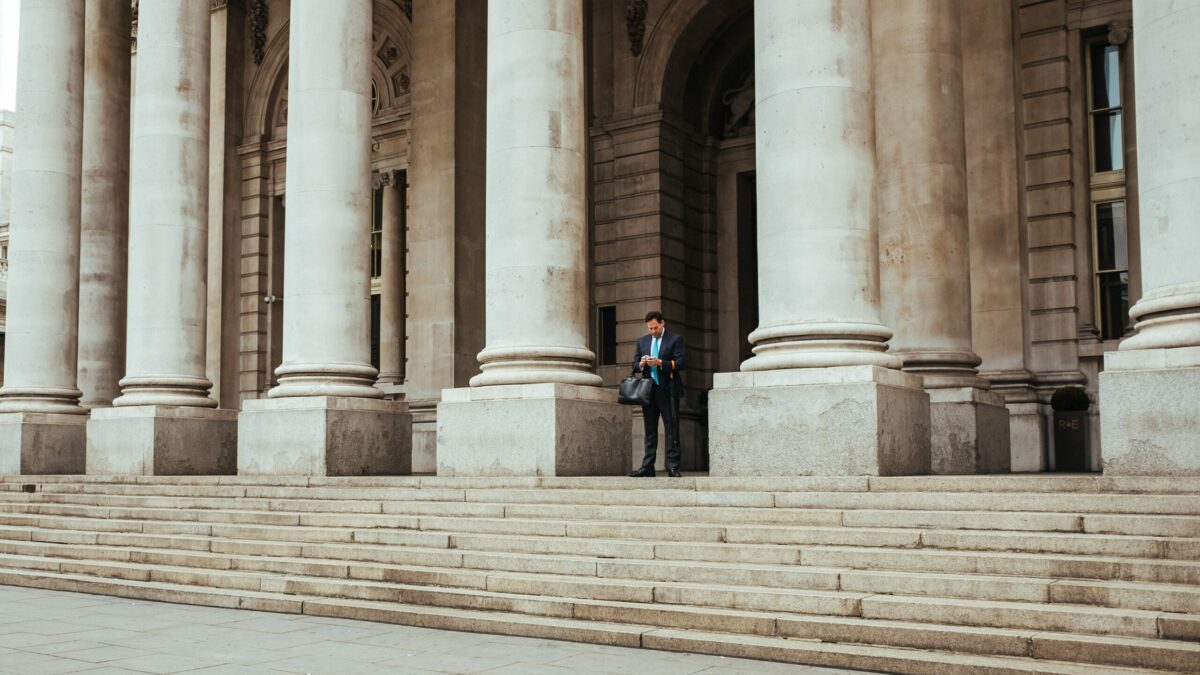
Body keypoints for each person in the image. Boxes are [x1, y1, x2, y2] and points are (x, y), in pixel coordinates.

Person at [629, 311, 685, 477]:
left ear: (662, 323)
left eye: (655, 327)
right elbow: (634, 365)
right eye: (650, 328)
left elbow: (681, 363)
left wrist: (661, 362)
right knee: (650, 431)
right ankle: (648, 467)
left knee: (671, 429)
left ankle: (673, 467)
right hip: (648, 391)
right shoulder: (642, 341)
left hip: (668, 391)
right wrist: (641, 363)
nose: (652, 331)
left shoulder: (675, 339)